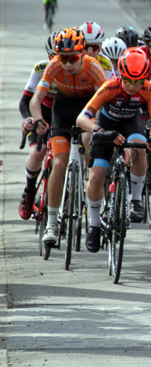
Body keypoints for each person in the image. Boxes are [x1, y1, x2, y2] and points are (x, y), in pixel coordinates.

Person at [29, 28, 106, 245]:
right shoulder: (54, 67)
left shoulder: (94, 67)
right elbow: (36, 100)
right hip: (62, 111)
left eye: (73, 58)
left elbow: (105, 100)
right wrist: (37, 119)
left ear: (83, 54)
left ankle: (92, 180)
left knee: (89, 139)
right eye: (64, 58)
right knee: (60, 162)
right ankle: (52, 222)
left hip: (88, 108)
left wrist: (97, 127)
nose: (68, 64)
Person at [77, 48, 151, 242]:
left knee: (140, 146)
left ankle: (135, 200)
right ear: (121, 76)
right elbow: (82, 119)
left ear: (144, 79)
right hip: (107, 126)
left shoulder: (149, 89)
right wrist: (100, 132)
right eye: (128, 81)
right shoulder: (110, 87)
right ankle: (94, 225)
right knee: (97, 175)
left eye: (138, 81)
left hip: (131, 124)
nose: (133, 86)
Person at [18, 34, 58, 220]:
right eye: (54, 57)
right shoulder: (41, 68)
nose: (58, 62)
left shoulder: (77, 69)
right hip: (41, 111)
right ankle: (29, 190)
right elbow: (25, 100)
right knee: (37, 153)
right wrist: (28, 119)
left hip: (63, 113)